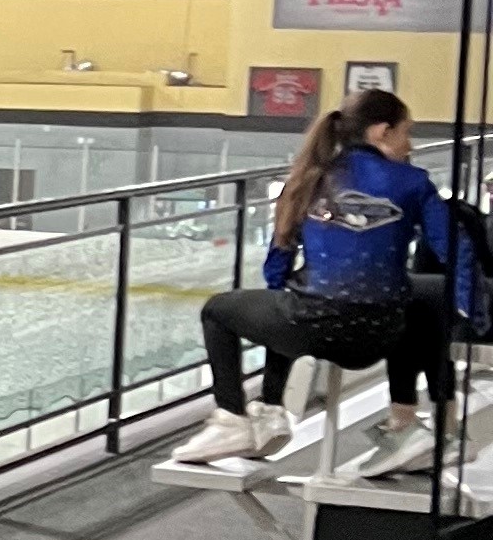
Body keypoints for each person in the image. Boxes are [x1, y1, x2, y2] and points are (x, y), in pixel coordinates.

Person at [177, 91, 456, 480]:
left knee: (224, 310)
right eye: (407, 133)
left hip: (313, 327)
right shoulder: (414, 182)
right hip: (382, 335)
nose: (411, 145)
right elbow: (454, 254)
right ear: (381, 132)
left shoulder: (309, 176)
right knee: (417, 294)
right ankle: (404, 421)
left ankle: (237, 418)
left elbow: (278, 265)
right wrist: (474, 312)